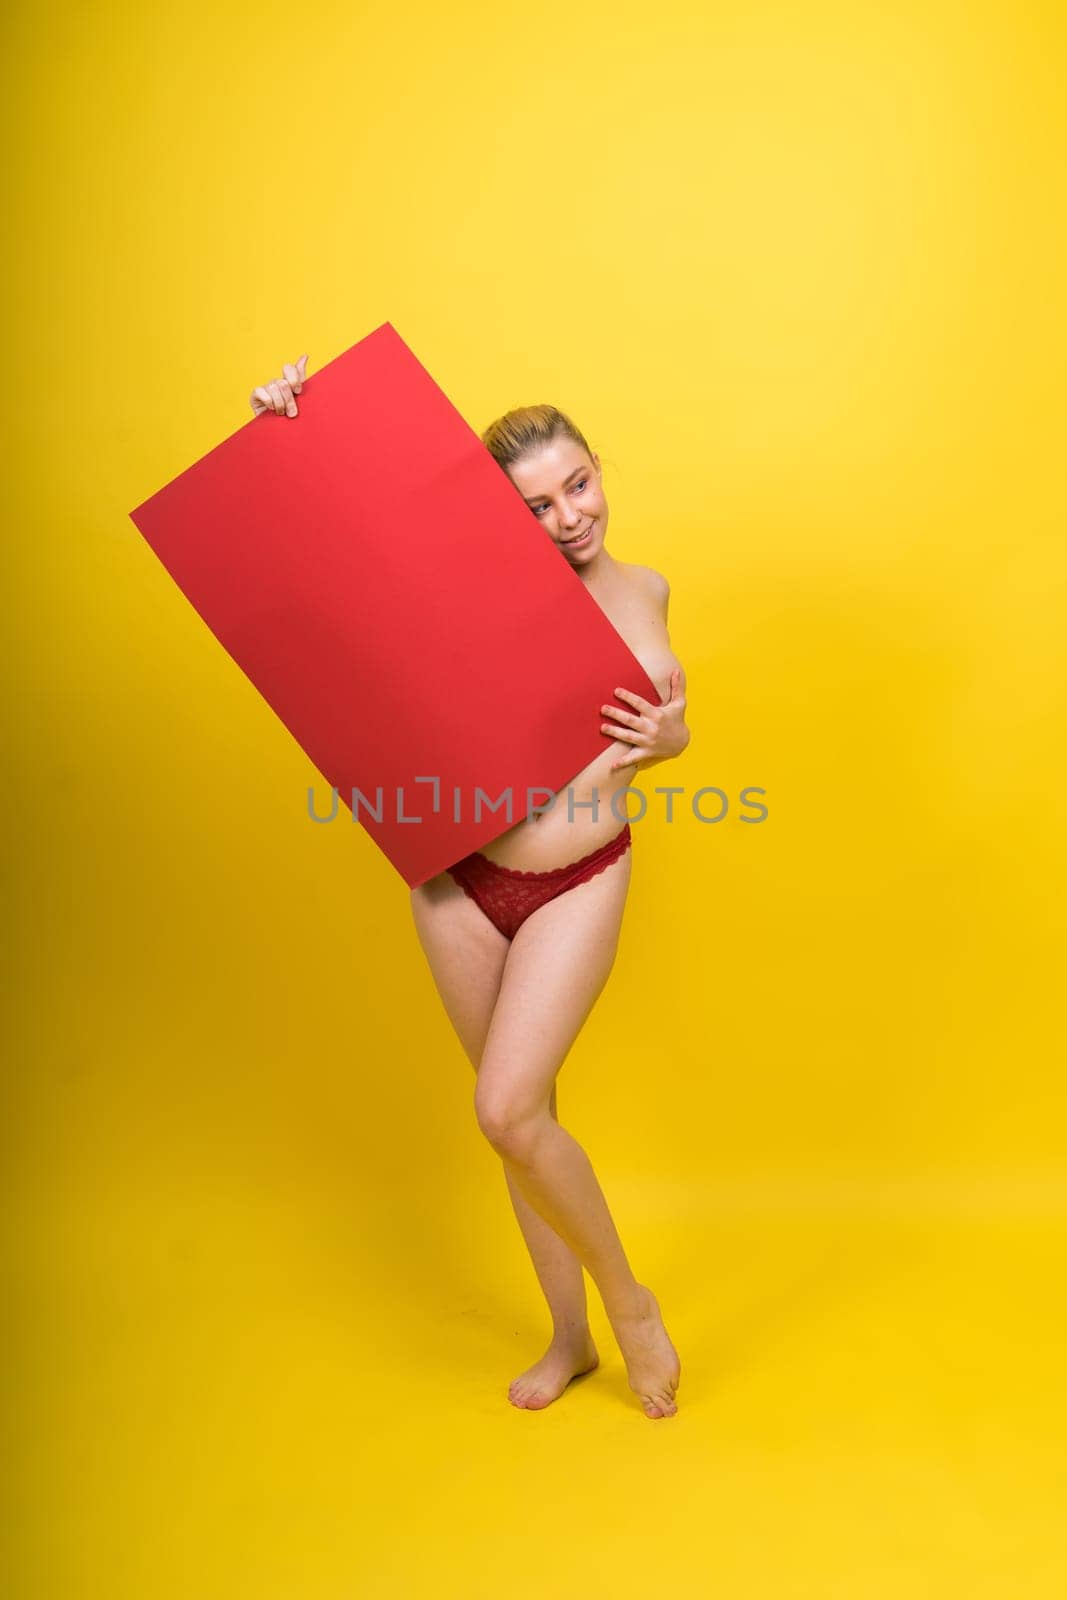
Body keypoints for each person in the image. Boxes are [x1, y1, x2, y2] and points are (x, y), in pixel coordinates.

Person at [251, 353, 690, 1419]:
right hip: (459, 884)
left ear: (597, 469)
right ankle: (569, 1336)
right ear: (506, 520)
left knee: (504, 1107)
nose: (568, 514)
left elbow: (656, 728)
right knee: (516, 1119)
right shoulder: (474, 588)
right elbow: (335, 565)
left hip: (576, 877)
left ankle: (630, 1305)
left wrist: (674, 739)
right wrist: (292, 428)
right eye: (537, 504)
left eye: (577, 483)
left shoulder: (644, 590)